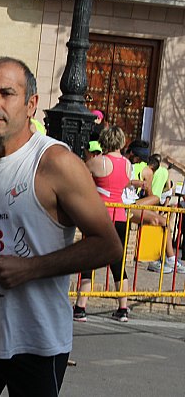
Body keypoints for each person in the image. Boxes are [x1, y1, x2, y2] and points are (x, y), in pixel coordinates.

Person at [0, 57, 122, 396]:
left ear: (31, 104)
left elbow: (109, 245)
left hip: (35, 341)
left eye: (6, 93)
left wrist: (32, 268)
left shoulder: (56, 163)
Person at [73, 126, 132, 322]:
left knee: (89, 259)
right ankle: (123, 308)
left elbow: (79, 176)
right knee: (118, 261)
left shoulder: (99, 162)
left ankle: (81, 306)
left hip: (100, 214)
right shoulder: (128, 165)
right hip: (121, 216)